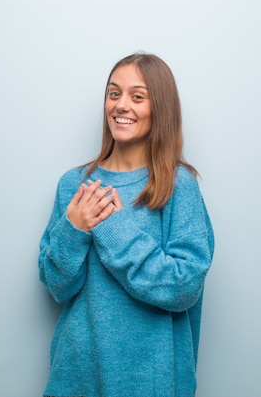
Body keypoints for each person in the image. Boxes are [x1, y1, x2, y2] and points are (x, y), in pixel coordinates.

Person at [38, 53, 215, 397]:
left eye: (138, 96)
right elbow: (57, 286)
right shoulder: (74, 185)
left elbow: (184, 288)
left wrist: (113, 229)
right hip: (75, 378)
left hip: (153, 381)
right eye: (114, 93)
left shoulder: (178, 186)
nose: (121, 105)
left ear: (159, 108)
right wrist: (73, 230)